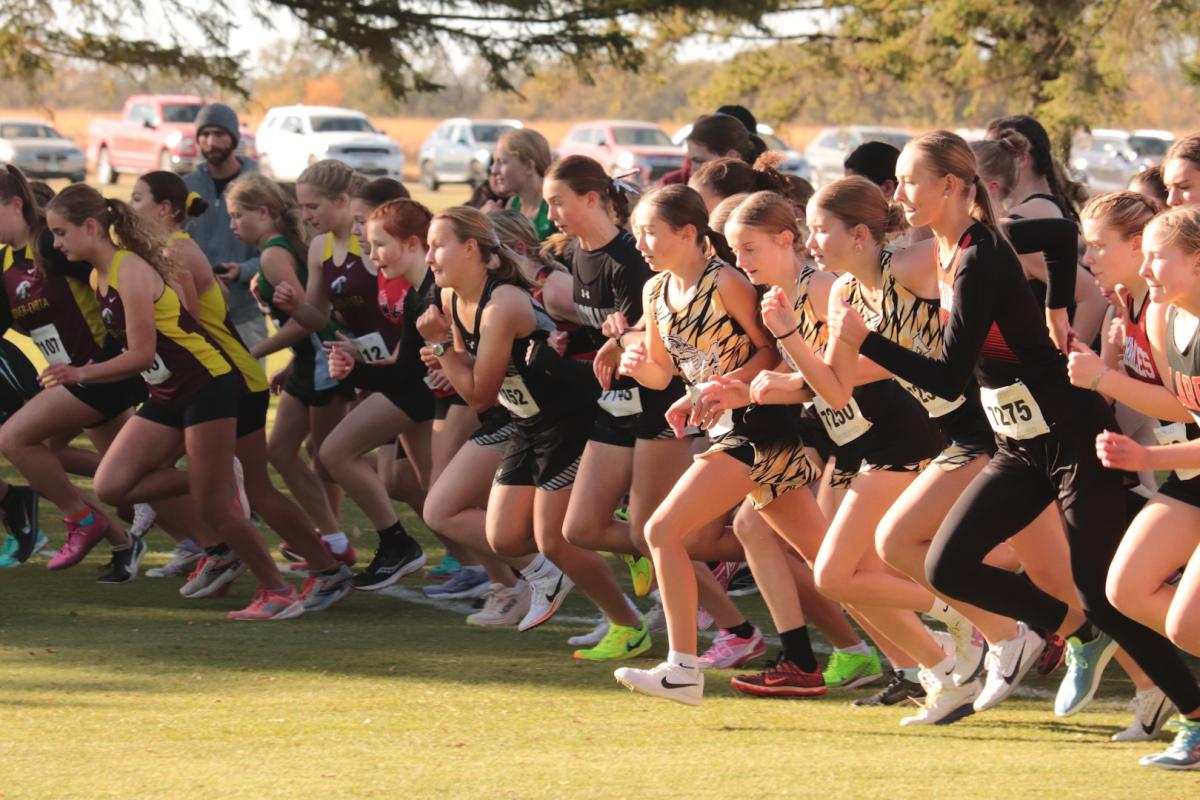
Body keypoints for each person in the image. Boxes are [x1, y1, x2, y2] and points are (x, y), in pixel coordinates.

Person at [829, 131, 1200, 767]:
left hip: (1071, 439)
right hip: (1017, 442)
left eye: (911, 181)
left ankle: (1191, 716)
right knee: (947, 565)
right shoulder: (950, 249)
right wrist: (1058, 303)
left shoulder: (978, 258)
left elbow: (948, 375)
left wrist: (867, 341)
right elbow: (1059, 240)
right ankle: (1074, 632)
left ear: (950, 185)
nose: (900, 193)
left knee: (1107, 588)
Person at [44, 184, 304, 620]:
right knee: (112, 485)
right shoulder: (97, 275)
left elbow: (141, 354)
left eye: (60, 232)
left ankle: (279, 591)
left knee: (213, 505)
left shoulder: (128, 269)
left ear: (90, 226)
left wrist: (81, 374)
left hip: (206, 384)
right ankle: (218, 475)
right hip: (167, 391)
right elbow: (129, 353)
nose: (55, 243)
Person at [611, 186, 827, 705]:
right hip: (726, 427)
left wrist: (723, 384)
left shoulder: (726, 282)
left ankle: (682, 669)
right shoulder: (654, 292)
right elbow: (667, 371)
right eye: (638, 232)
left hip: (759, 425)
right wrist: (645, 370)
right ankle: (946, 633)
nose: (640, 243)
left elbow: (772, 348)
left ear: (688, 234)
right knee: (831, 564)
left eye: (649, 233)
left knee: (661, 530)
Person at [131, 169, 353, 611]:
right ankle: (253, 555)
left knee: (254, 487)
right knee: (248, 486)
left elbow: (187, 324)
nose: (130, 207)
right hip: (213, 378)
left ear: (164, 209)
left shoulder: (178, 252)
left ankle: (312, 568)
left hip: (224, 377)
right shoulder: (165, 252)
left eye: (137, 198)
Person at [0, 165, 147, 581]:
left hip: (103, 372)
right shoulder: (8, 262)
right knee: (120, 474)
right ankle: (130, 539)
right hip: (78, 377)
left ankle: (84, 520)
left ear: (14, 204)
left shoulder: (50, 243)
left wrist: (105, 358)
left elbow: (114, 276)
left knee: (15, 438)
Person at [183, 103, 269, 355]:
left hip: (245, 312)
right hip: (196, 311)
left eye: (220, 134)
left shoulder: (258, 184)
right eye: (205, 134)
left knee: (249, 389)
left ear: (234, 137)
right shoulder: (187, 186)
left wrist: (243, 271)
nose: (211, 142)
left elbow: (279, 246)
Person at [487, 128, 557, 241]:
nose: (494, 170)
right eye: (494, 162)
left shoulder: (556, 206)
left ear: (529, 166)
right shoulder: (514, 204)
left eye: (502, 162)